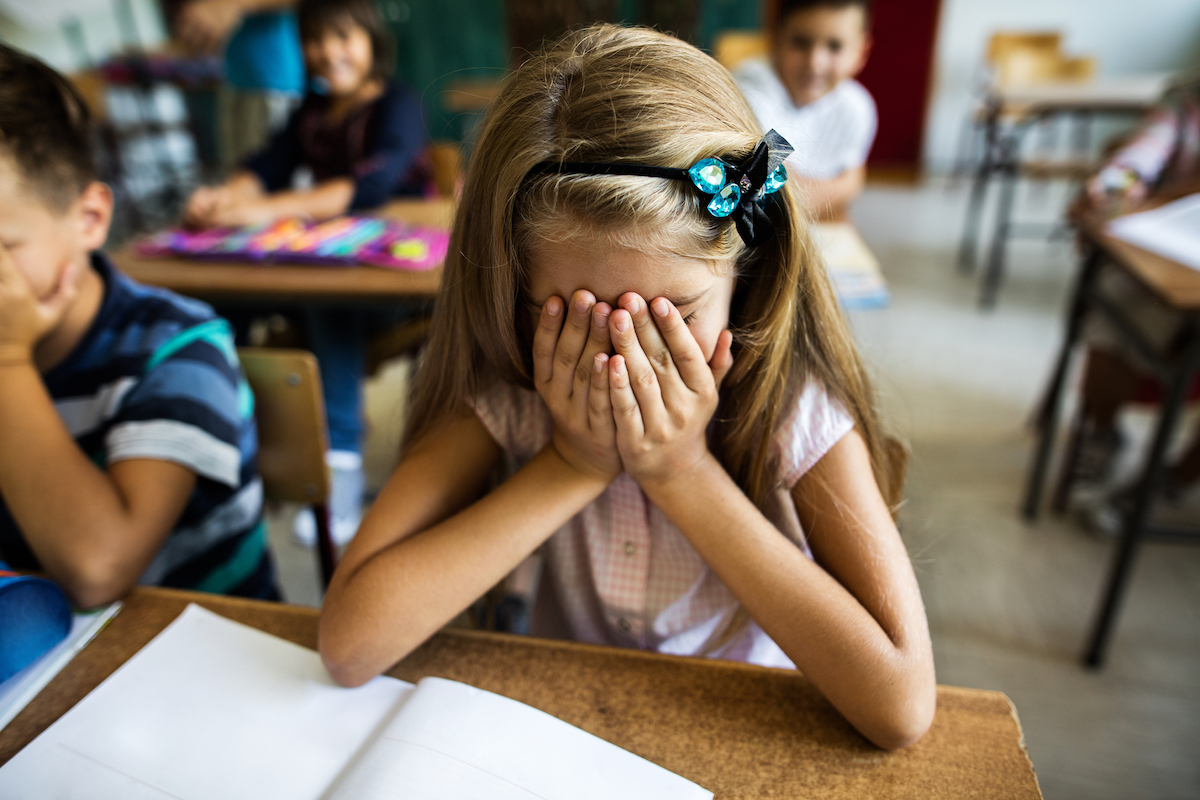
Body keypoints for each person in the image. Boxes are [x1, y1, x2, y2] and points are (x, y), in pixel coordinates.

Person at [318, 25, 935, 750]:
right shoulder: (514, 389)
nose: (625, 357)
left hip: (749, 741)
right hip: (563, 740)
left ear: (746, 274)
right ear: (512, 289)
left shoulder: (790, 408)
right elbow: (350, 643)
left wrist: (680, 469)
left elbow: (900, 706)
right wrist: (572, 464)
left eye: (673, 316)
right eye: (578, 317)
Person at [0, 44, 277, 608]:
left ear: (90, 219)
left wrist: (6, 357)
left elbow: (98, 568)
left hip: (194, 664)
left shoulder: (179, 349)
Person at [183, 0, 430, 545]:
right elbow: (265, 164)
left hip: (398, 289)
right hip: (331, 270)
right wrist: (223, 198)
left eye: (343, 37)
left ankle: (340, 457)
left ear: (372, 43)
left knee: (325, 295)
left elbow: (370, 185)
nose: (328, 52)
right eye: (315, 40)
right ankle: (226, 427)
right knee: (222, 302)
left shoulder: (399, 103)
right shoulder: (310, 111)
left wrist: (264, 210)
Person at [1061, 80, 1200, 529]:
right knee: (1113, 308)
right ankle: (1103, 431)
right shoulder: (1186, 104)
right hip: (1167, 260)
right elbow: (1137, 159)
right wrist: (1111, 184)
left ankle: (1178, 476)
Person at [733, 0, 875, 221]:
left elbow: (854, 183)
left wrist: (845, 186)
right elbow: (783, 196)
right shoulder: (749, 91)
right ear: (775, 37)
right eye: (801, 43)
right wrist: (840, 187)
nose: (815, 63)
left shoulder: (857, 107)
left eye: (835, 46)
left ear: (861, 52)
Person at [175, 0, 306, 173]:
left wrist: (232, 4)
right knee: (237, 177)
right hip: (235, 80)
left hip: (276, 83)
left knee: (272, 185)